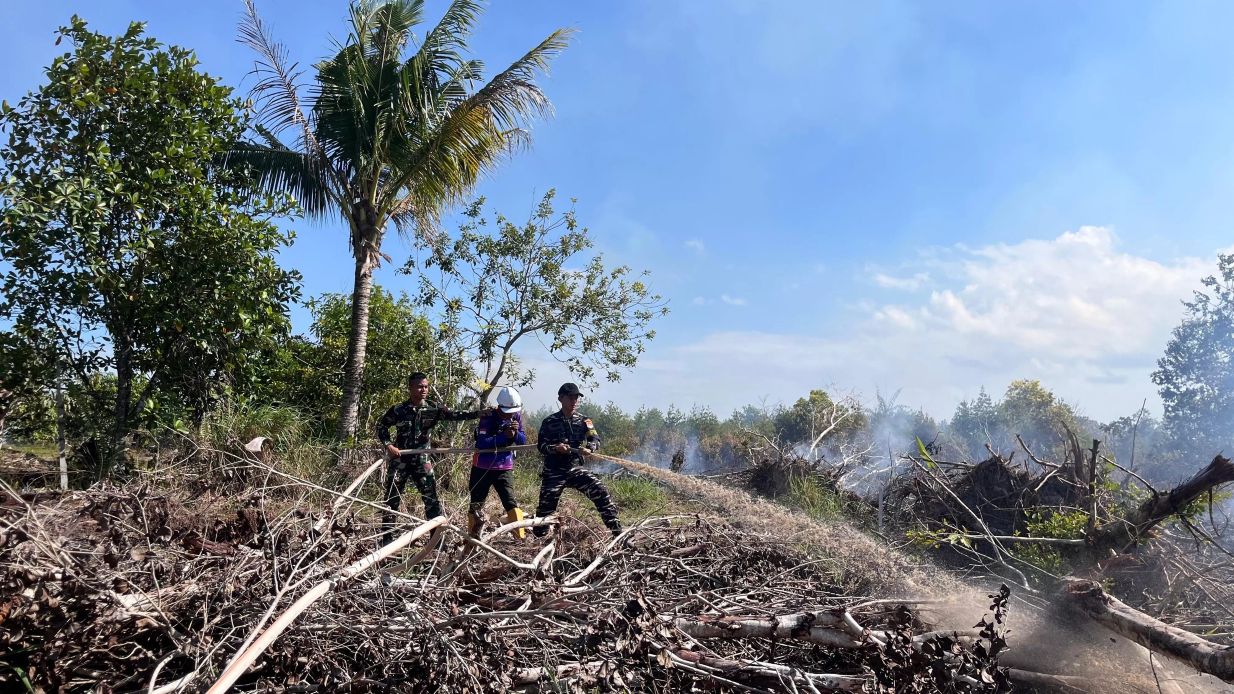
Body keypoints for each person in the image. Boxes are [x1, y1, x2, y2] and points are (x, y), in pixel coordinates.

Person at [376, 371, 484, 544]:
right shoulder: (398, 410)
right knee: (391, 500)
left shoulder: (433, 408)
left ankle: (435, 540)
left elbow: (455, 415)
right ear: (410, 388)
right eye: (419, 387)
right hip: (400, 460)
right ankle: (386, 540)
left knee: (431, 500)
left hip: (422, 460)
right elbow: (382, 427)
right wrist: (389, 445)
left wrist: (479, 414)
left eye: (425, 386)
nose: (423, 390)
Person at [534, 382, 622, 537]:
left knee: (600, 491)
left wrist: (590, 448)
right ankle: (538, 540)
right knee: (545, 510)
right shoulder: (549, 421)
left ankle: (617, 532)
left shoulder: (584, 420)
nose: (574, 401)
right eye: (570, 398)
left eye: (576, 398)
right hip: (554, 471)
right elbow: (541, 446)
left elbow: (595, 438)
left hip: (574, 469)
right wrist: (555, 448)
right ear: (561, 399)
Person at [468, 386, 528, 537]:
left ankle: (519, 537)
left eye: (513, 412)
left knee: (511, 503)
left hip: (504, 467)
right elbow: (482, 442)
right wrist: (504, 437)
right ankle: (472, 537)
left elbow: (522, 441)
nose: (510, 415)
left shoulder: (516, 416)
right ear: (500, 407)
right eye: (507, 413)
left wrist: (514, 434)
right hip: (482, 467)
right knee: (476, 503)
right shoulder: (488, 416)